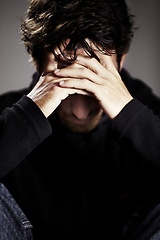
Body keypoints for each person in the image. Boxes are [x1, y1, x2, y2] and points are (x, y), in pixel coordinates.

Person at [1, 0, 160, 239]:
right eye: (64, 80)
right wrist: (31, 113)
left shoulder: (150, 114)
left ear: (121, 61)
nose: (79, 114)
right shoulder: (7, 118)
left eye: (93, 80)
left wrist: (128, 114)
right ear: (37, 61)